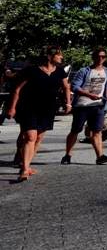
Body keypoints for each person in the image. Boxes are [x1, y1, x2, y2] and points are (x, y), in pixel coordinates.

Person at [5, 46, 71, 181]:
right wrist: (12, 108)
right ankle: (24, 170)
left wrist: (68, 103)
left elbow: (66, 87)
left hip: (48, 109)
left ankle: (26, 164)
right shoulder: (32, 70)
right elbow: (17, 89)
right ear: (49, 56)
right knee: (30, 137)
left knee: (38, 138)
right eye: (59, 55)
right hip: (28, 107)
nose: (61, 57)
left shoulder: (60, 72)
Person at [61, 48, 107, 165]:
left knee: (97, 131)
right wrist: (89, 95)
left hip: (98, 106)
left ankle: (100, 156)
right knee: (75, 130)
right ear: (93, 57)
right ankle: (67, 155)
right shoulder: (84, 71)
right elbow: (75, 87)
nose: (101, 59)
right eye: (98, 56)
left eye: (103, 56)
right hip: (82, 106)